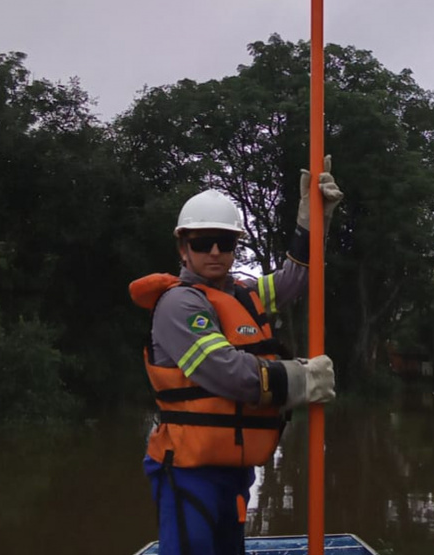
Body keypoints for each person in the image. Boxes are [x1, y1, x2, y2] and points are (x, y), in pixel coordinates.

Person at [128, 157, 344, 555]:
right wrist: (301, 379)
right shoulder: (179, 304)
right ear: (182, 247)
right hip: (190, 471)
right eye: (201, 242)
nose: (214, 251)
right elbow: (227, 373)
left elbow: (295, 280)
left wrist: (313, 224)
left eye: (225, 243)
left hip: (234, 470)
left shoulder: (243, 294)